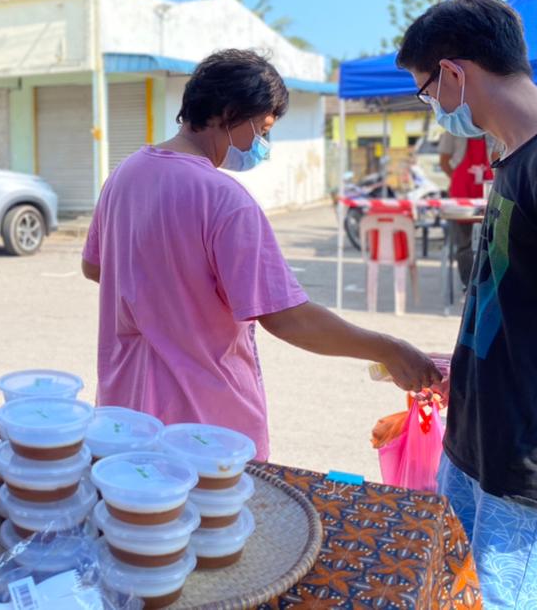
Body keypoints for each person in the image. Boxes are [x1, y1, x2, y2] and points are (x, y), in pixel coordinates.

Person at [81, 49, 440, 461]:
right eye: (263, 129)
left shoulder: (126, 174)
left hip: (123, 418)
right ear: (230, 113)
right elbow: (287, 318)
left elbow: (95, 266)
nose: (263, 145)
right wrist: (389, 349)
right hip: (204, 428)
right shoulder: (223, 199)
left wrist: (160, 291)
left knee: (135, 518)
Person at [398, 0, 537, 610]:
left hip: (527, 471)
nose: (433, 108)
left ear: (453, 73)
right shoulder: (515, 161)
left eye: (427, 92)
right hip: (475, 446)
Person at [438, 133, 495, 288]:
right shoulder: (452, 131)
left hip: (487, 193)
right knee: (464, 244)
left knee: (494, 241)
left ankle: (490, 283)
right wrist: (457, 178)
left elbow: (498, 157)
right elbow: (444, 161)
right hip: (461, 194)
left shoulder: (492, 129)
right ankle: (468, 286)